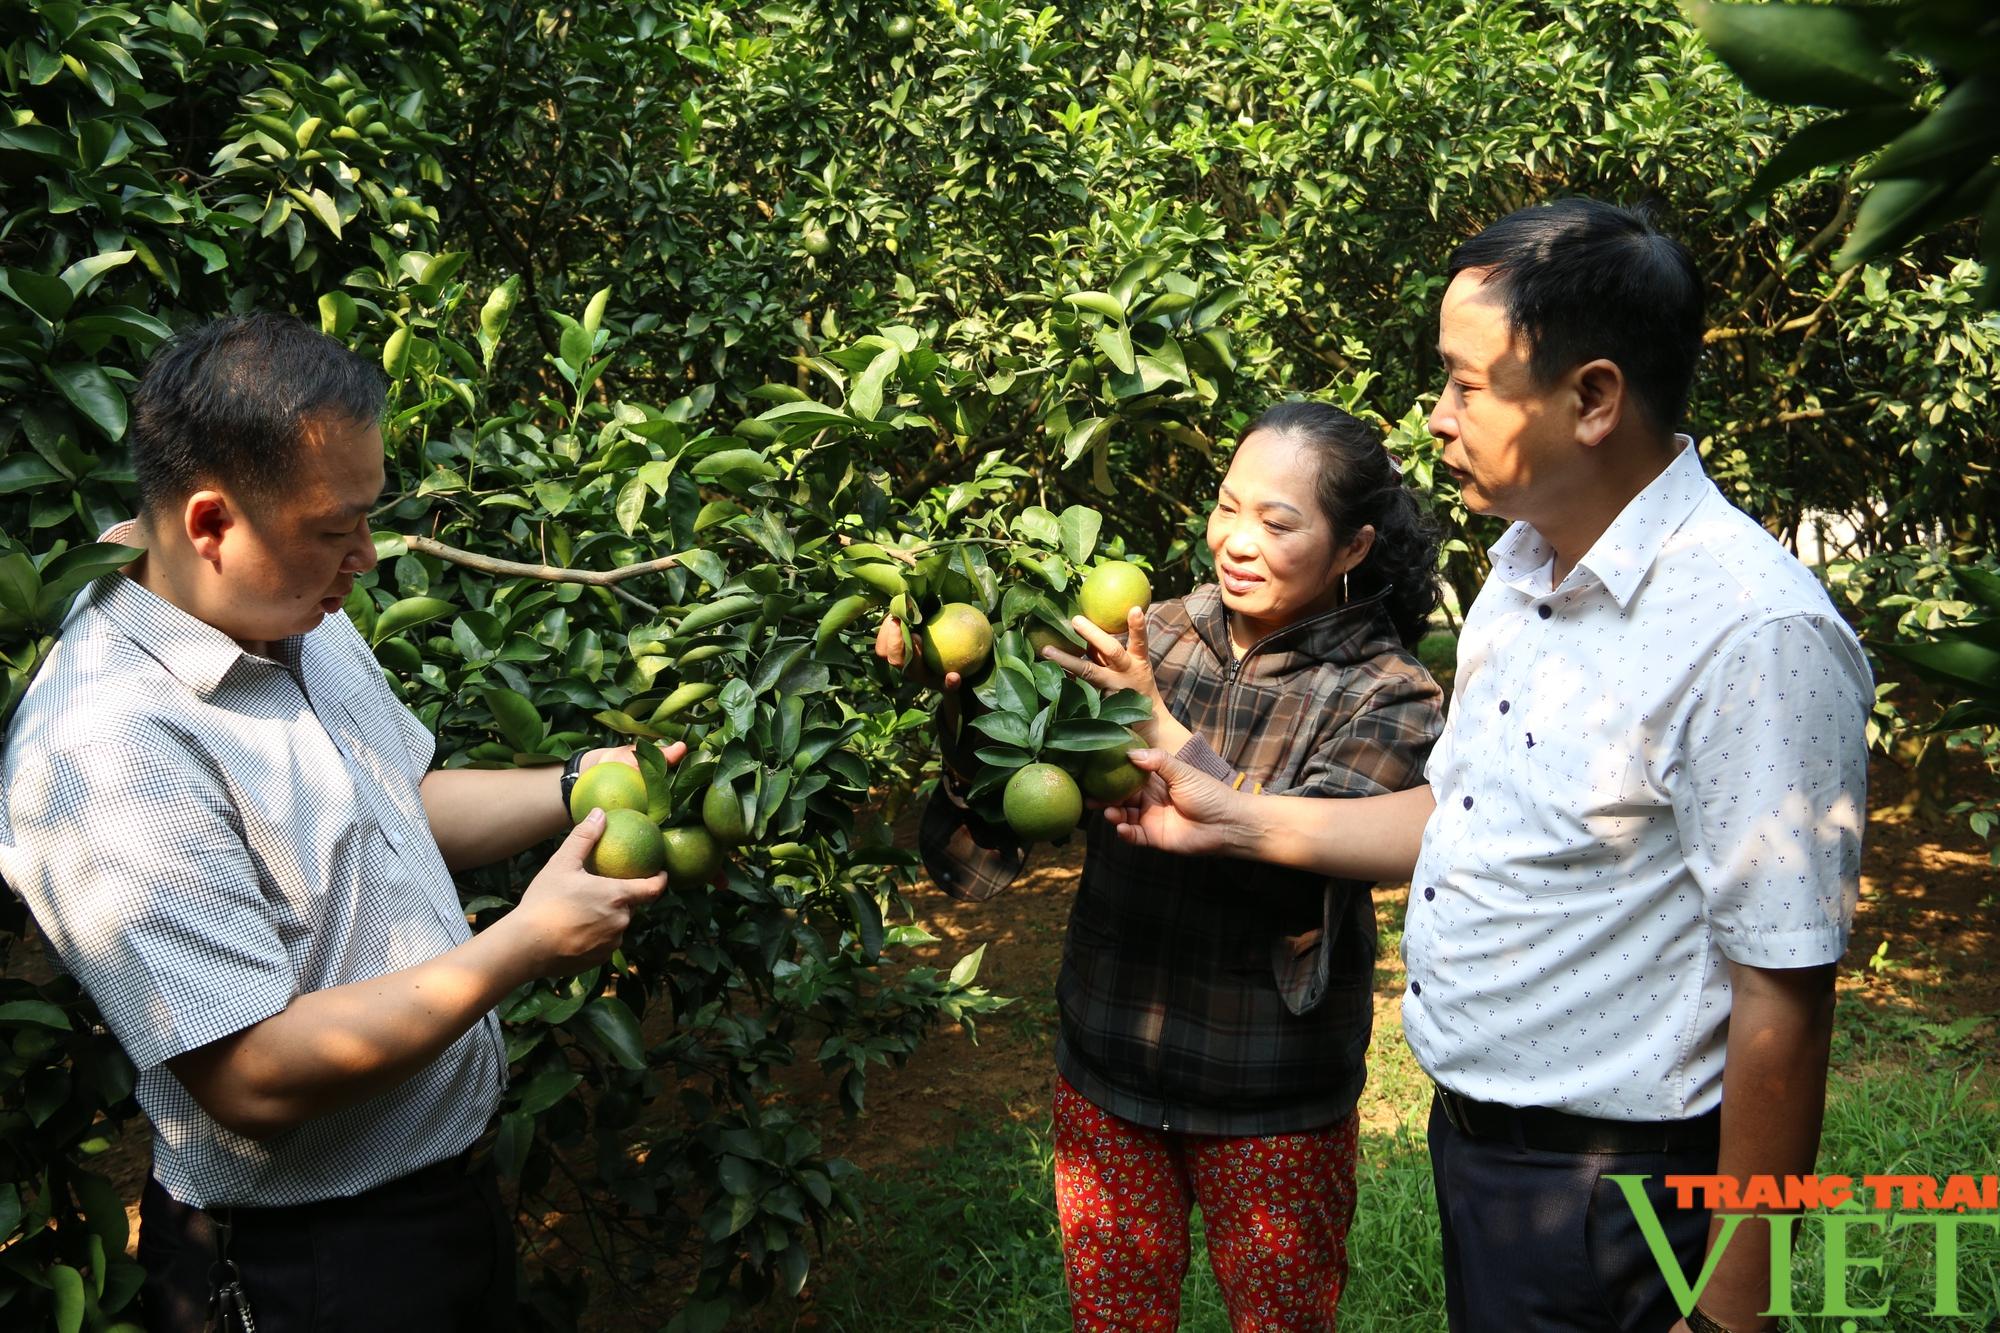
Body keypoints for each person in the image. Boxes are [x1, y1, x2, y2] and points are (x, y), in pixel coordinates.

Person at [1101, 200, 1872, 1333]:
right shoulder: (1522, 574)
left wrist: (1731, 1305)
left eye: (1465, 385)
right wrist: (1228, 816)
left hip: (1618, 1189)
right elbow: (1454, 814)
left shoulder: (1751, 632)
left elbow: (1783, 993)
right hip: (1485, 1154)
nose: (1435, 418)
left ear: (1592, 398)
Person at [0, 313, 681, 1332]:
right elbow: (252, 1072)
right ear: (210, 524)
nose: (363, 555)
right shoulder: (107, 749)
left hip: (439, 1207)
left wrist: (574, 784)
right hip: (311, 1270)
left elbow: (394, 810)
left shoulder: (287, 610)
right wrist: (525, 944)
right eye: (333, 528)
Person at [882, 402, 1444, 1331]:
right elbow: (990, 849)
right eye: (1229, 506)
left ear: (1352, 548)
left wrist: (1158, 726)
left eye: (1279, 520)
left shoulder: (1388, 692)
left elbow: (1310, 865)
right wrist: (966, 708)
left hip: (1269, 1095)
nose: (1239, 540)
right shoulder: (1152, 637)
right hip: (1110, 1070)